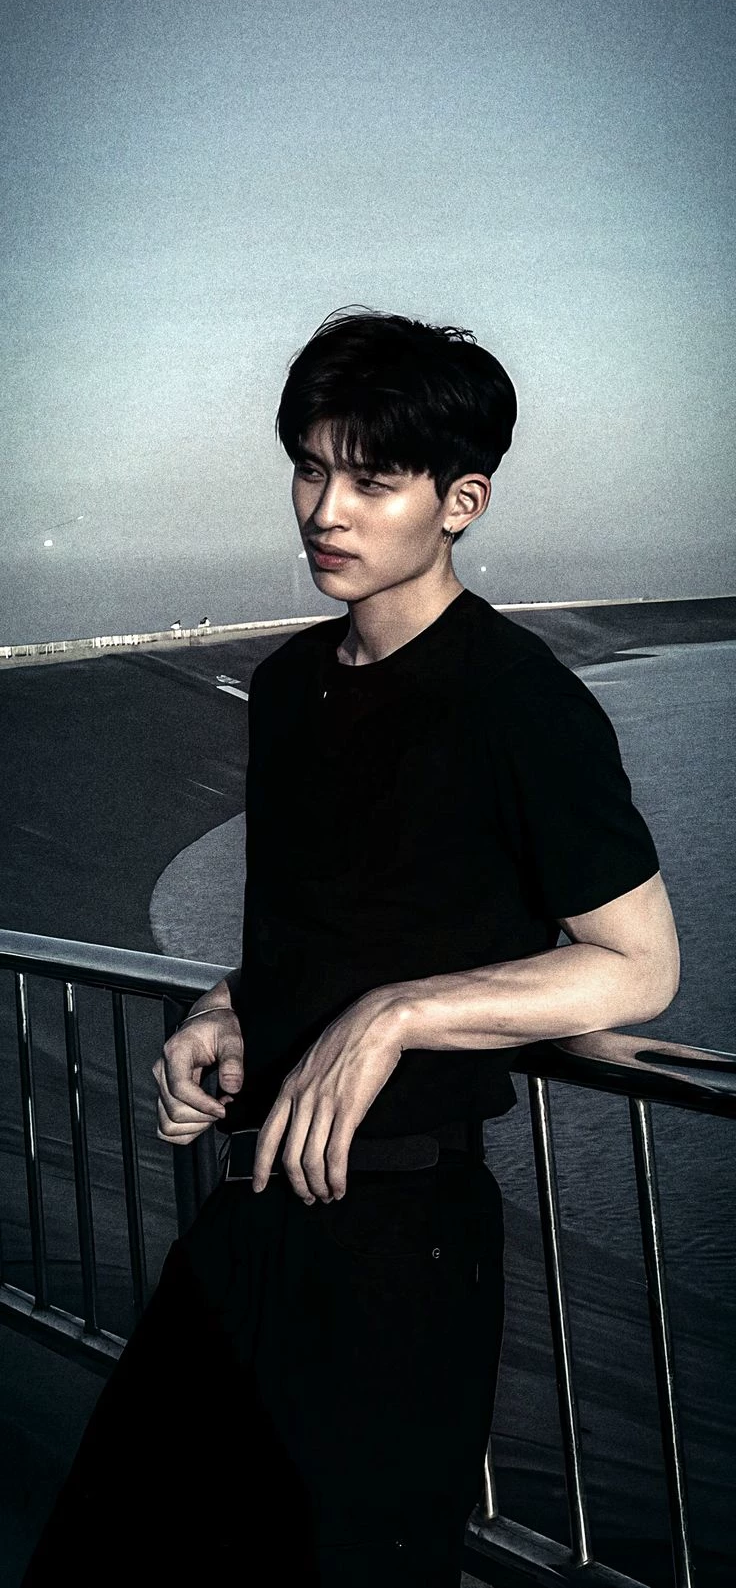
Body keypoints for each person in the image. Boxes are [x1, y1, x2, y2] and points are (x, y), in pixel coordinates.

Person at [22, 307, 680, 1586]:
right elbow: (329, 917)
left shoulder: (518, 698)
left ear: (459, 501)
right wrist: (227, 1006)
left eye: (372, 480)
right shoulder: (285, 686)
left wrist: (395, 1014)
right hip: (251, 1209)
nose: (325, 510)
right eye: (310, 469)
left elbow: (638, 963)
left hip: (404, 1244)